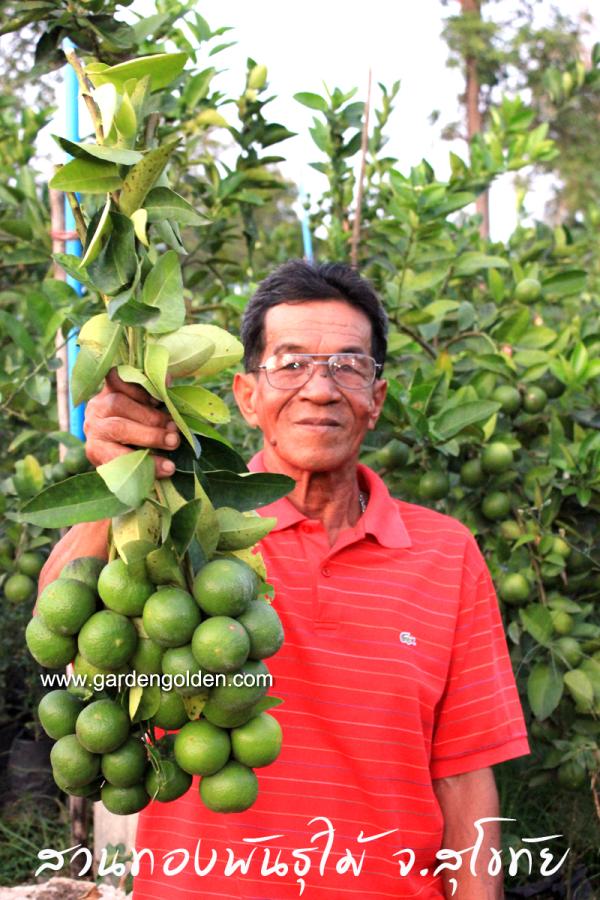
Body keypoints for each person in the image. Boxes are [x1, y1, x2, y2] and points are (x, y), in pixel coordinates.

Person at [40, 259, 529, 899]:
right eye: (290, 364)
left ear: (376, 400)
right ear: (246, 396)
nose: (320, 390)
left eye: (348, 365)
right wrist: (122, 482)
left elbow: (464, 776)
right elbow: (63, 619)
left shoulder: (447, 553)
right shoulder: (186, 530)